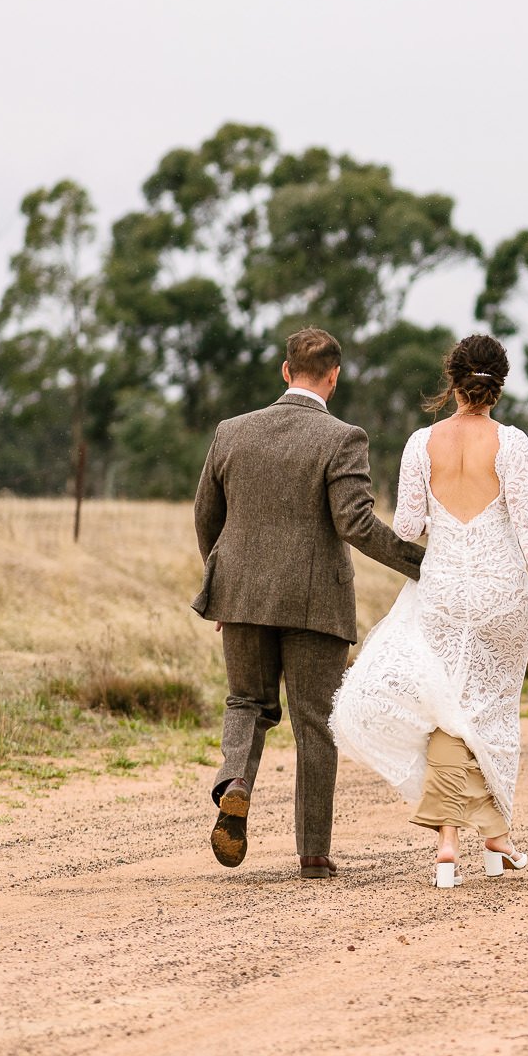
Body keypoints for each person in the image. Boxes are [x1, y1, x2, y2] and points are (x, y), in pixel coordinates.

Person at [331, 334, 528, 887]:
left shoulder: (422, 443)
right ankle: (497, 839)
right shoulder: (512, 444)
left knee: (447, 709)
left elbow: (408, 528)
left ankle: (449, 846)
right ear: (499, 385)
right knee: (491, 711)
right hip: (501, 592)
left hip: (442, 590)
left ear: (453, 378)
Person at [194, 326, 428, 878]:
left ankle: (236, 783)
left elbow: (206, 515)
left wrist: (222, 583)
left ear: (284, 371)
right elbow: (356, 523)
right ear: (334, 377)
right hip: (315, 604)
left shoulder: (232, 432)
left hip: (242, 596)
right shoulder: (342, 438)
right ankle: (314, 855)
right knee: (315, 723)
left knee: (246, 703)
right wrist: (423, 565)